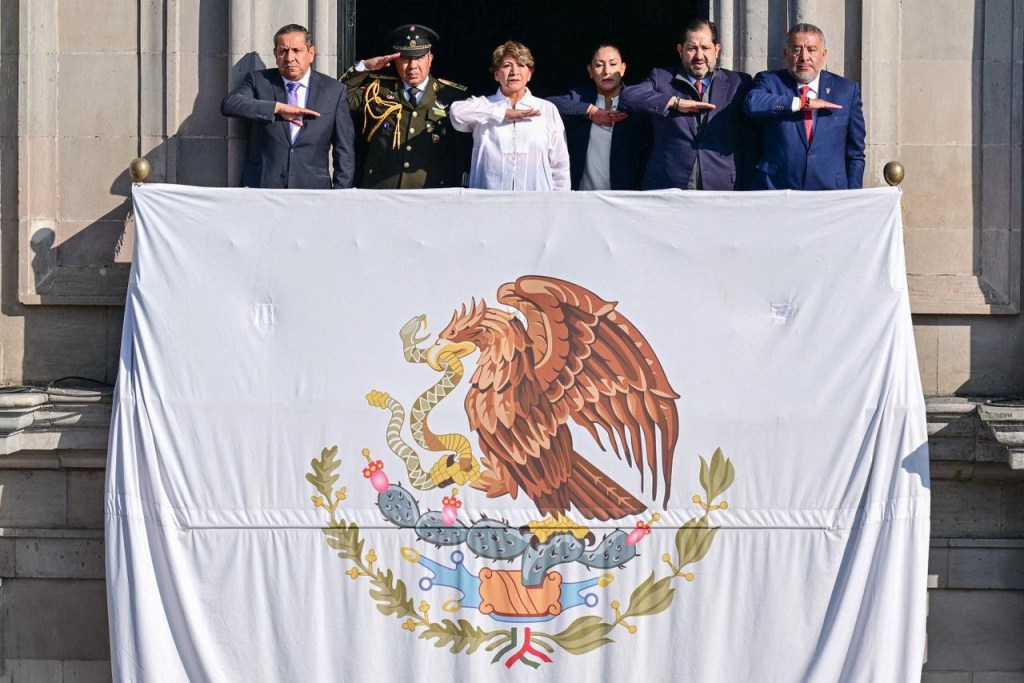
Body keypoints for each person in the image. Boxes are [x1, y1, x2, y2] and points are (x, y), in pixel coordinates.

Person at [620, 18, 753, 191]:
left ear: (717, 50)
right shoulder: (661, 78)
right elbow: (628, 96)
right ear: (680, 50)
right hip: (669, 184)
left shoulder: (738, 82)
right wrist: (674, 103)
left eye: (705, 48)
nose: (699, 56)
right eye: (691, 48)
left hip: (721, 185)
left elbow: (750, 136)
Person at [221, 24, 354, 189]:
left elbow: (344, 151)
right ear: (275, 54)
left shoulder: (334, 91)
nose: (289, 58)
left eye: (297, 50)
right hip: (263, 189)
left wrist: (340, 195)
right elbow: (230, 104)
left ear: (311, 53)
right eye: (283, 51)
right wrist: (276, 108)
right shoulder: (259, 81)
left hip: (313, 191)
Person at [340, 24, 470, 189]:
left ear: (430, 59)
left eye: (419, 58)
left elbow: (462, 150)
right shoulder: (378, 91)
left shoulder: (451, 96)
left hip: (432, 193)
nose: (413, 66)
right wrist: (364, 66)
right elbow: (340, 98)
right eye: (406, 59)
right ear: (396, 61)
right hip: (383, 192)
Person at [743, 23, 866, 190]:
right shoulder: (770, 81)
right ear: (786, 54)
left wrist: (853, 196)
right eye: (796, 49)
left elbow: (855, 152)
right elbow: (752, 103)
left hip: (830, 191)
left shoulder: (846, 90)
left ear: (824, 54)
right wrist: (801, 103)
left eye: (812, 49)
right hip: (777, 189)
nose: (804, 57)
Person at [449, 41, 570, 191]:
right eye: (507, 66)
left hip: (537, 204)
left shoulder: (546, 109)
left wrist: (560, 203)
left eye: (521, 65)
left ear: (530, 74)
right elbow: (456, 113)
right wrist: (501, 113)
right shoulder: (484, 106)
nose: (514, 72)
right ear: (496, 74)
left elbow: (560, 166)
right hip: (490, 204)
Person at [546, 45, 651, 191]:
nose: (607, 71)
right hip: (583, 197)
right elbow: (548, 104)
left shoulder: (636, 103)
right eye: (599, 65)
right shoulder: (580, 97)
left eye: (613, 64)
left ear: (623, 68)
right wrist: (590, 110)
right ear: (590, 71)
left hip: (626, 198)